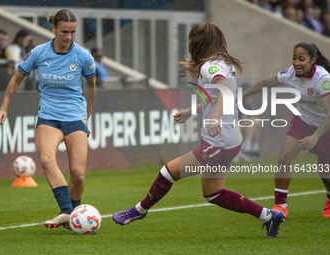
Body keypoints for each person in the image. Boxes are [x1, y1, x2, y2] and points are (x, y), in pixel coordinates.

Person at [112, 22, 284, 237]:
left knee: (168, 172)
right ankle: (269, 216)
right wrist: (191, 111)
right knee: (213, 193)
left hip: (219, 141)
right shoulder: (222, 63)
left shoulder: (209, 67)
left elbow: (224, 92)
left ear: (198, 43)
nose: (190, 46)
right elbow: (218, 97)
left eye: (190, 42)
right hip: (230, 139)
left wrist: (214, 118)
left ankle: (139, 210)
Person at [0, 9, 96, 228]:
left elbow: (91, 85)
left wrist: (86, 116)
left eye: (73, 32)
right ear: (54, 29)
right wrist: (3, 108)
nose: (68, 37)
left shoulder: (83, 56)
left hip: (75, 117)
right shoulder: (38, 53)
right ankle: (67, 211)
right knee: (47, 158)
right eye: (64, 31)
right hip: (49, 117)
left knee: (78, 175)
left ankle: (71, 217)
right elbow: (16, 78)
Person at [243, 42, 330, 218]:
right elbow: (265, 83)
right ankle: (280, 206)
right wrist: (241, 95)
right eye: (294, 58)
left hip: (325, 125)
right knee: (284, 158)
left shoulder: (323, 79)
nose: (296, 63)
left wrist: (315, 136)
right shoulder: (289, 74)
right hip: (302, 120)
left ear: (313, 60)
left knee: (325, 172)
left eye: (301, 59)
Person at [238, 82, 262, 161]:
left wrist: (250, 107)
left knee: (256, 121)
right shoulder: (237, 104)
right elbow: (242, 121)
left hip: (241, 130)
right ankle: (246, 149)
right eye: (249, 96)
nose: (251, 98)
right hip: (234, 132)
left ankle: (254, 149)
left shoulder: (247, 105)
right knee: (252, 122)